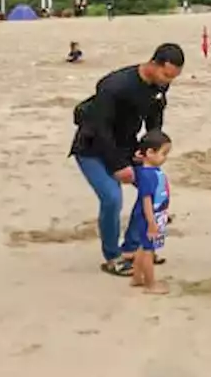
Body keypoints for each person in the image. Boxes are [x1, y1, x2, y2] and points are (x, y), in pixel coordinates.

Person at [69, 43, 184, 276]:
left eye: (172, 78)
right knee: (112, 198)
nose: (167, 81)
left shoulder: (159, 86)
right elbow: (100, 129)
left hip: (127, 146)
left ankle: (133, 248)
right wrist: (119, 166)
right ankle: (113, 257)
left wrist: (149, 151)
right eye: (166, 75)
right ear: (154, 64)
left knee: (155, 188)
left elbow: (154, 121)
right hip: (91, 147)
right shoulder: (115, 86)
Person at [123, 130, 173, 294]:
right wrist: (151, 222)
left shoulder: (152, 172)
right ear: (150, 152)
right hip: (148, 216)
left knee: (142, 246)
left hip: (155, 213)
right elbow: (146, 200)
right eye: (163, 153)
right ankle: (150, 284)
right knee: (148, 250)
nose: (165, 157)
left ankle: (137, 277)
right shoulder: (147, 175)